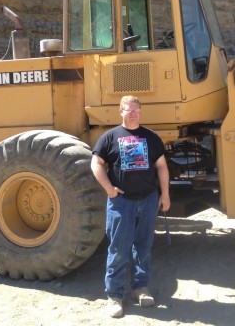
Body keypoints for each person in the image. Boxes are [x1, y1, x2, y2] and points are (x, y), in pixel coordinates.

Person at [91, 95, 170, 318]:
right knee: (118, 250)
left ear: (140, 112)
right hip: (121, 203)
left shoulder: (151, 138)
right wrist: (108, 189)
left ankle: (141, 289)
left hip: (147, 200)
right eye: (128, 109)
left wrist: (165, 194)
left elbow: (162, 166)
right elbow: (96, 163)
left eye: (136, 109)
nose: (133, 113)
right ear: (121, 111)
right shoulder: (110, 137)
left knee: (143, 248)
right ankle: (114, 295)